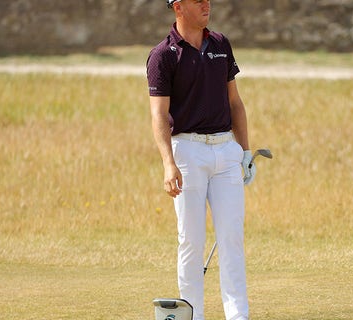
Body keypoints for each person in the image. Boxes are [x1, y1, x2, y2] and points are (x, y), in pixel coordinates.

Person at [146, 0, 254, 319]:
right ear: (178, 7)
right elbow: (159, 115)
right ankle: (192, 316)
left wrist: (245, 152)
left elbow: (235, 103)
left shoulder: (220, 44)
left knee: (232, 239)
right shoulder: (163, 56)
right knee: (191, 242)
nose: (207, 4)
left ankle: (238, 315)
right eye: (198, 0)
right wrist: (168, 163)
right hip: (188, 153)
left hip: (225, 150)